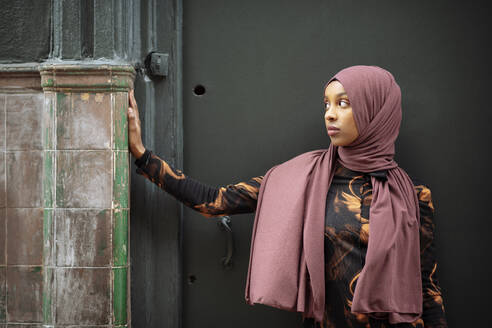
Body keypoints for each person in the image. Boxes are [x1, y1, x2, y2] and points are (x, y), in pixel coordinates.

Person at [127, 65, 448, 328]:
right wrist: (142, 155)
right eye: (326, 103)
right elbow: (216, 201)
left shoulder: (413, 194)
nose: (330, 114)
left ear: (377, 112)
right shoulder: (303, 179)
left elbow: (426, 285)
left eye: (344, 103)